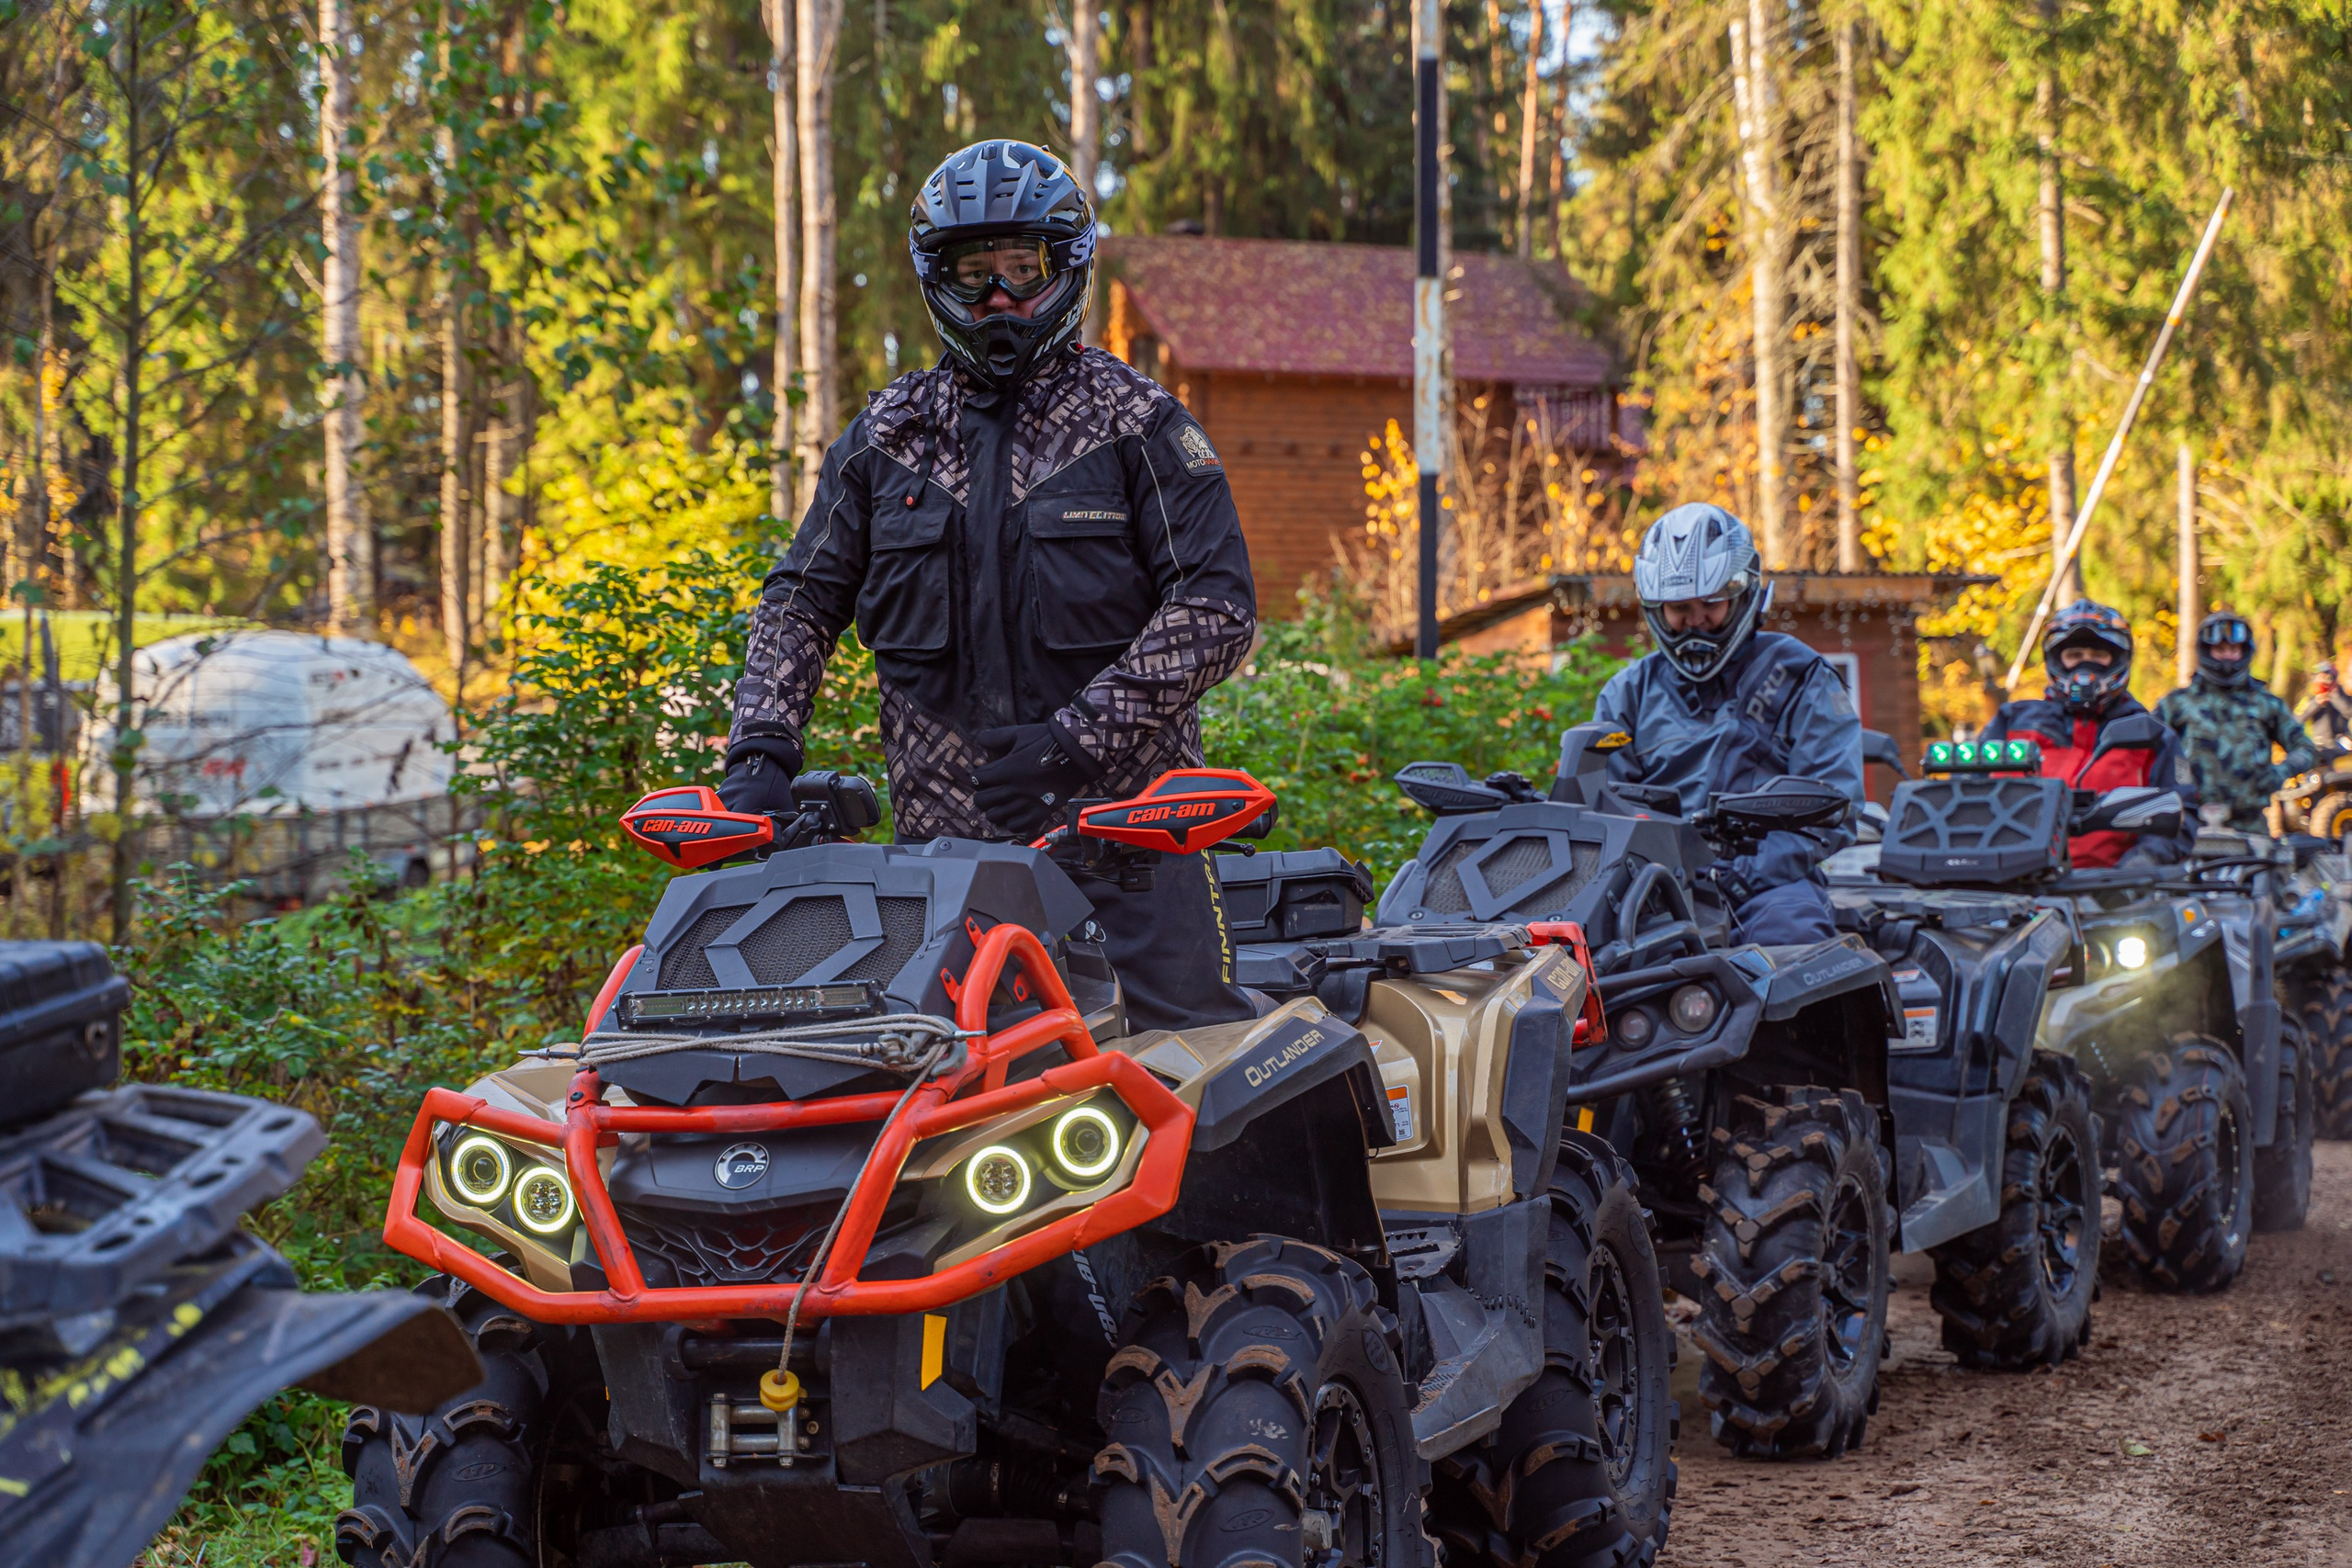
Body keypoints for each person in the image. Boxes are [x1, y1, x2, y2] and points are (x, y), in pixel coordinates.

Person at [718, 139, 1259, 1031]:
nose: (1001, 297)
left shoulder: (1139, 424)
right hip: (941, 867)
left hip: (1131, 844)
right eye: (975, 275)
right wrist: (760, 758)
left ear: (1068, 267)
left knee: (1198, 1086)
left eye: (1023, 268)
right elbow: (801, 600)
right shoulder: (887, 436)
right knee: (943, 1101)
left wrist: (1071, 742)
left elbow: (1217, 608)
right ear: (936, 279)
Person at [1590, 503, 1860, 944]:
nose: (1695, 620)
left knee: (1796, 945)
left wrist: (1743, 875)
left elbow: (1835, 804)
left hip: (1769, 885)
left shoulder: (1802, 676)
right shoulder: (1627, 693)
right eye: (1679, 607)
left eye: (1711, 603)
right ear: (1655, 609)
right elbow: (1601, 808)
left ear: (1742, 594)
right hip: (1650, 887)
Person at [1982, 601, 2196, 866]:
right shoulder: (2012, 722)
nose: (2086, 665)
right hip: (2011, 883)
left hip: (2111, 890)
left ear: (2118, 659)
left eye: (2098, 655)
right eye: (2075, 655)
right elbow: (1965, 795)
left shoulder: (2152, 735)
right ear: (2056, 660)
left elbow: (2183, 814)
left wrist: (2144, 860)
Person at [2154, 611, 2318, 835]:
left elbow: (2305, 747)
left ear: (2244, 651)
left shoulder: (2265, 703)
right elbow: (2148, 751)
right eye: (2220, 650)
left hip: (2250, 827)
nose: (2228, 657)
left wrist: (2280, 773)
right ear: (2206, 650)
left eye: (2234, 650)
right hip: (2188, 825)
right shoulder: (2177, 703)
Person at [2298, 659, 2352, 753]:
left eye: (2329, 677)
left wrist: (2335, 695)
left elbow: (2349, 712)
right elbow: (2297, 719)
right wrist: (2316, 703)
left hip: (2341, 741)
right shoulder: (2309, 699)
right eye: (2321, 678)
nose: (2326, 681)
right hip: (2320, 744)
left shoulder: (2342, 695)